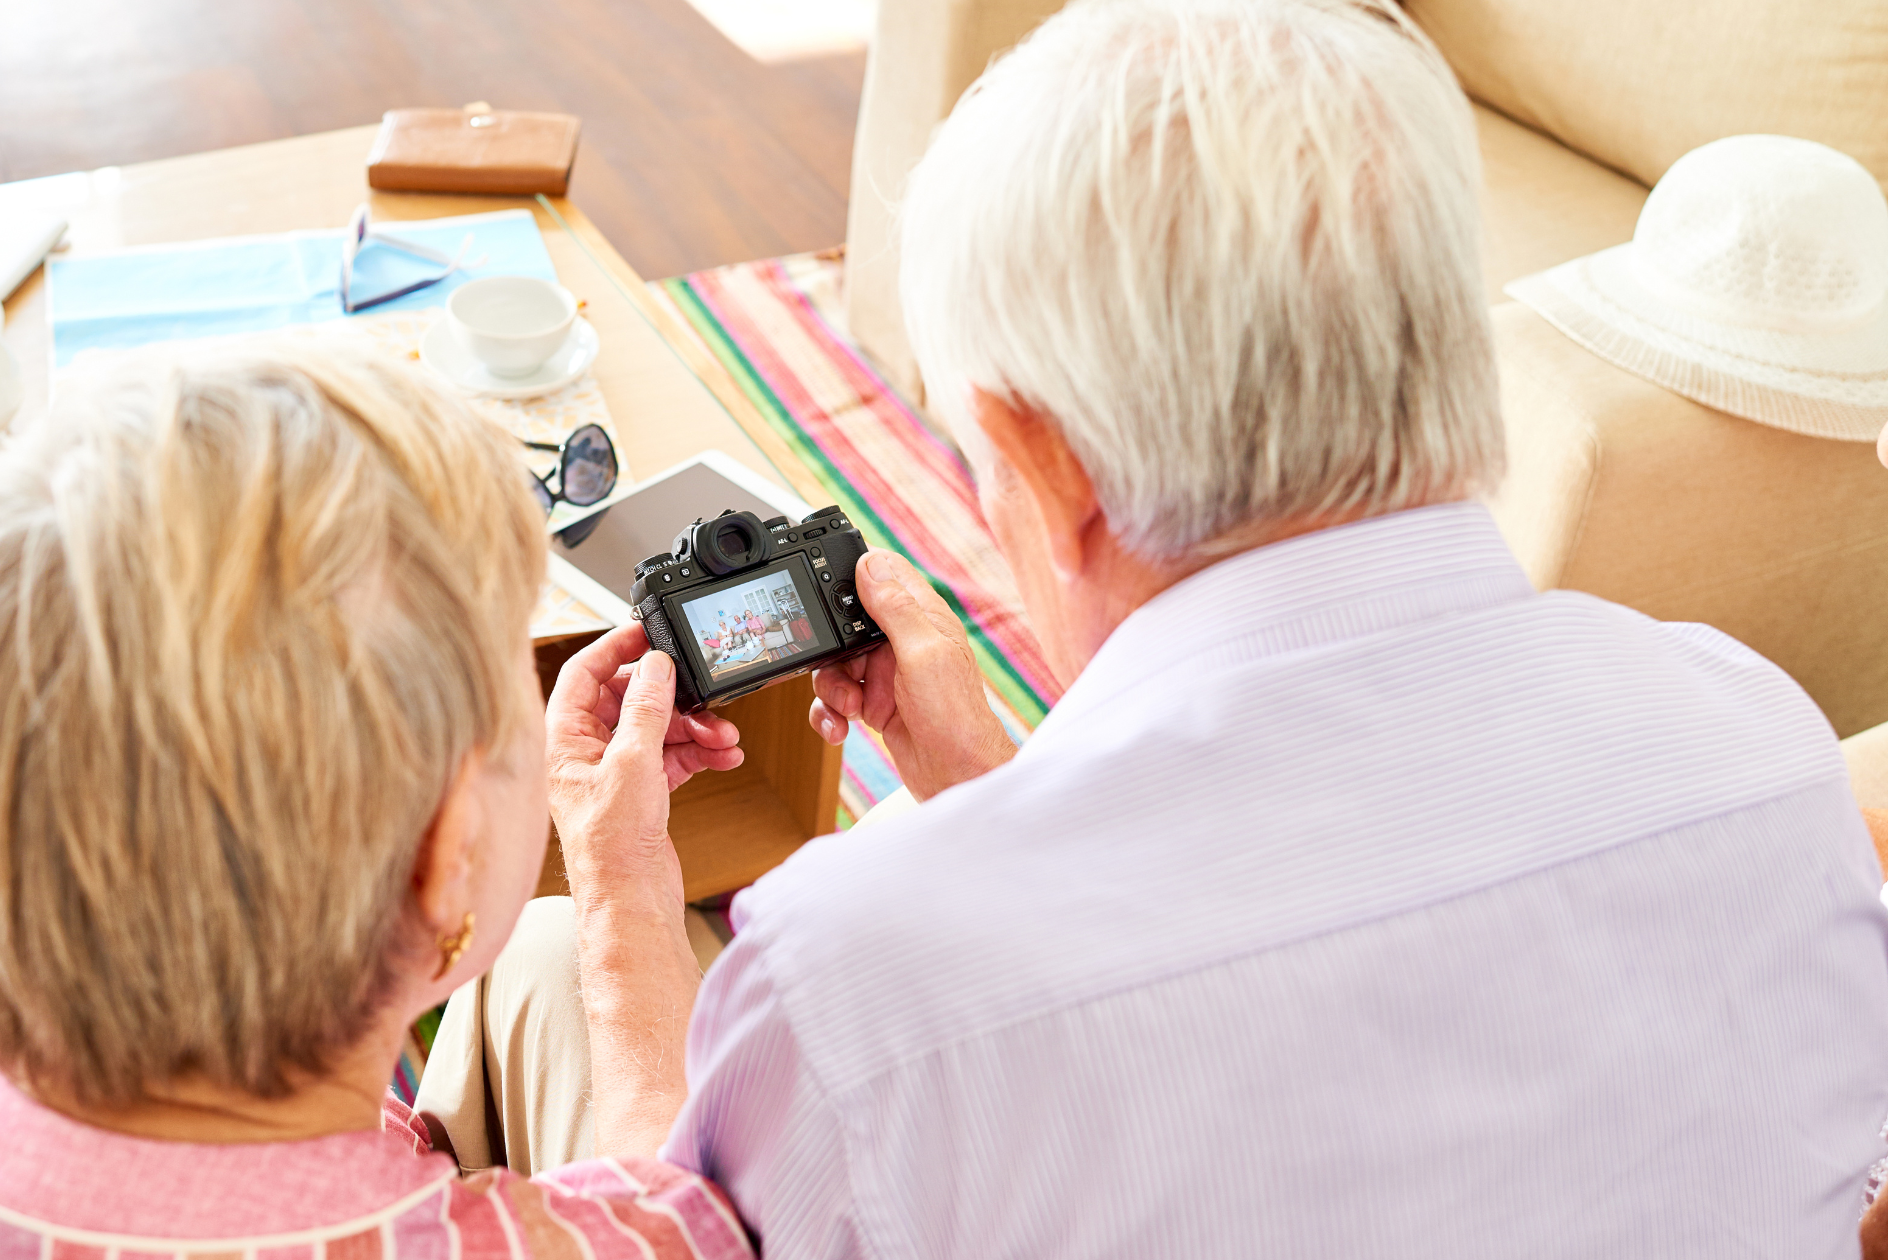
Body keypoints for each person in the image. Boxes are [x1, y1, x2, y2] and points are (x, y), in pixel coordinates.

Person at [432, 0, 1888, 1256]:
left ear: (1051, 470)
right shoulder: (1763, 745)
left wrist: (622, 898)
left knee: (550, 970)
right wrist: (993, 785)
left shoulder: (861, 987)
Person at [0, 341, 754, 1258]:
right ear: (444, 859)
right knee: (557, 950)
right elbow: (657, 1194)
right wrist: (621, 885)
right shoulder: (632, 1239)